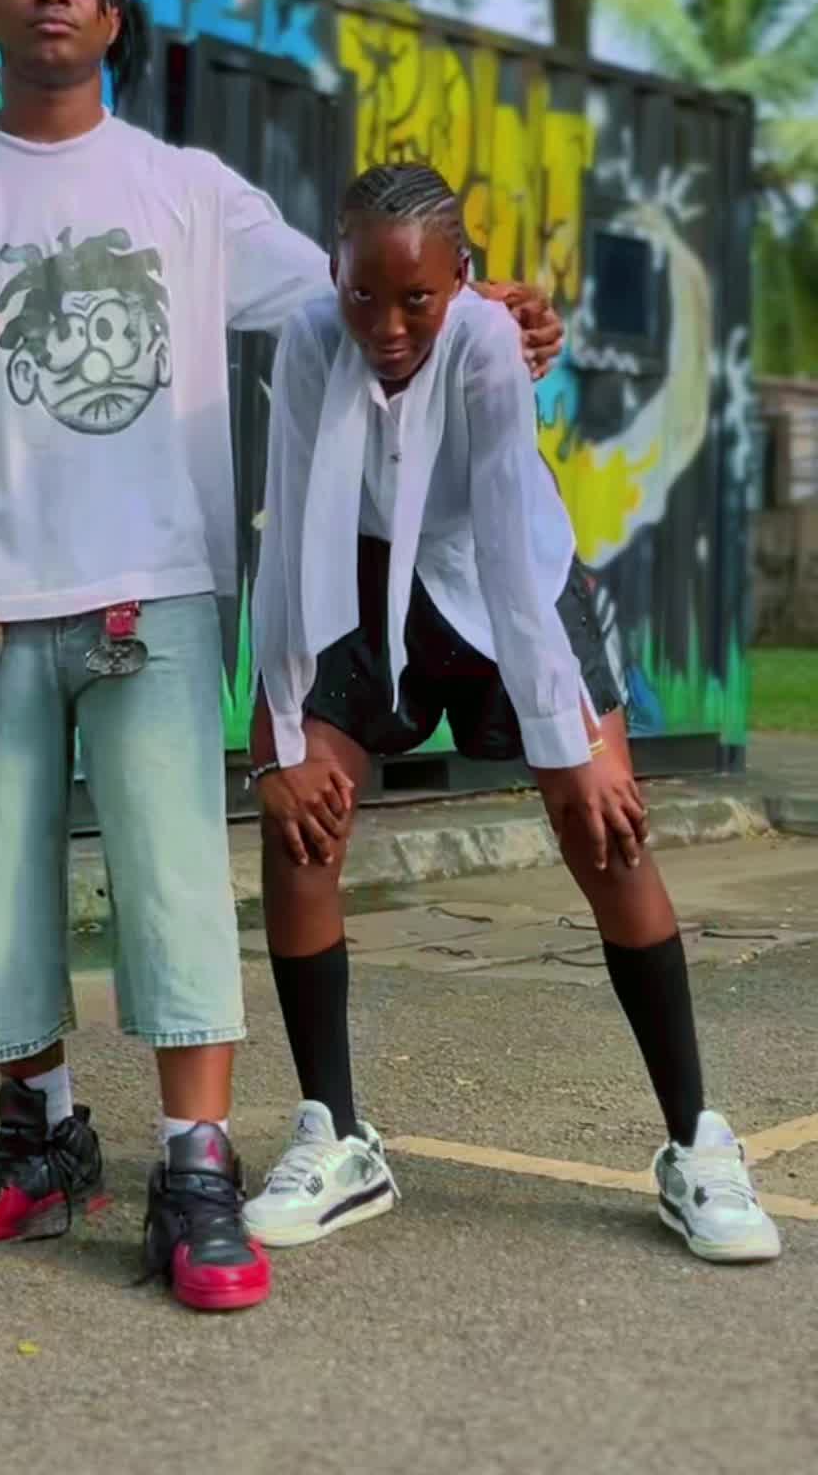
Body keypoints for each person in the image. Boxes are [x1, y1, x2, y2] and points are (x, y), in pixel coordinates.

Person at [0, 0, 563, 1311]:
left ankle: (194, 1165)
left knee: (172, 885)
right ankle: (40, 1137)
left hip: (150, 601)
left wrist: (485, 314)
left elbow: (357, 298)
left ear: (112, 18)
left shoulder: (186, 191)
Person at [243, 160, 781, 1267]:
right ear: (334, 270)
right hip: (362, 582)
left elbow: (501, 536)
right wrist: (275, 737)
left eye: (417, 298)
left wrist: (570, 738)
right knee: (301, 829)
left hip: (512, 590)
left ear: (464, 278)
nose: (386, 326)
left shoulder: (488, 342)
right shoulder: (309, 340)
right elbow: (290, 527)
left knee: (605, 831)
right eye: (362, 292)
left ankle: (697, 1143)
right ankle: (336, 1135)